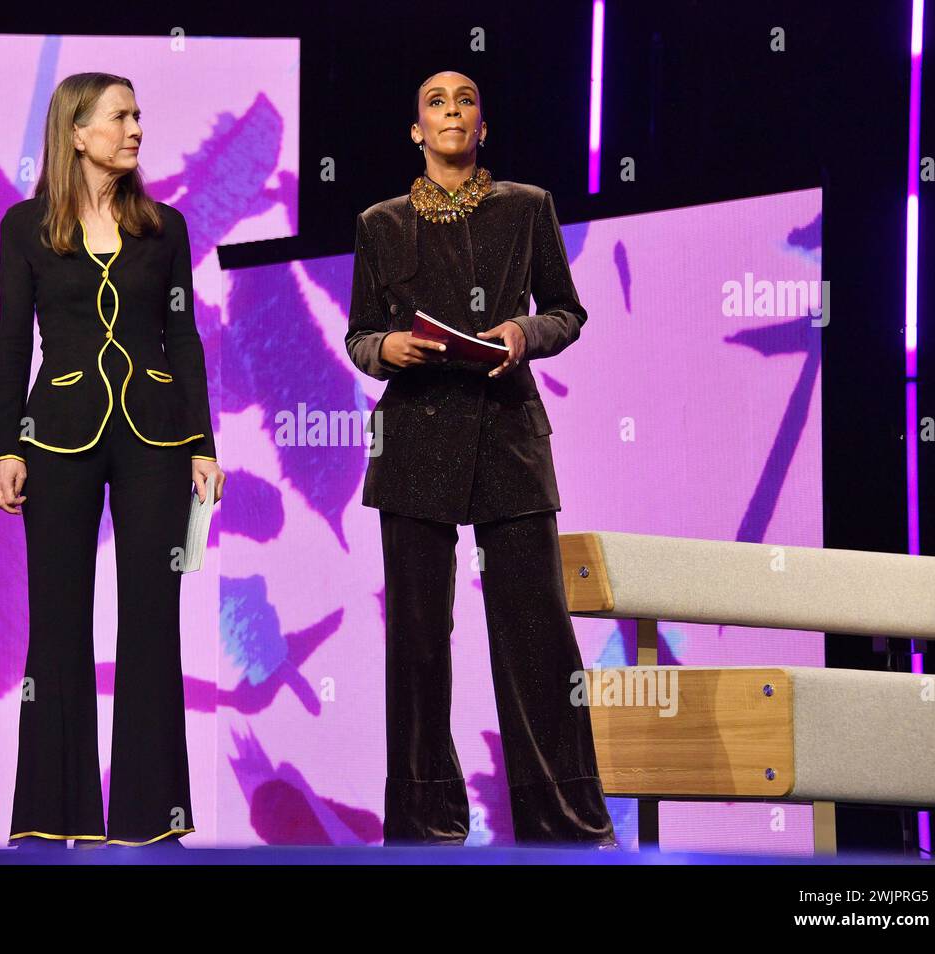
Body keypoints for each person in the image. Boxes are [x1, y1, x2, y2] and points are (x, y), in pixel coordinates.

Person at [344, 70, 616, 847]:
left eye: (465, 101)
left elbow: (566, 311)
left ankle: (563, 822)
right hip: (416, 442)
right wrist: (386, 347)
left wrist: (522, 335)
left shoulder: (527, 208)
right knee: (420, 643)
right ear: (416, 131)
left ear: (483, 129)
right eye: (435, 102)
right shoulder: (380, 222)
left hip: (507, 435)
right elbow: (361, 333)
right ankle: (425, 826)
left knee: (536, 633)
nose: (451, 111)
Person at [0, 72, 225, 850]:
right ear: (77, 131)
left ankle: (149, 821)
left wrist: (203, 443)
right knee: (56, 624)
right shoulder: (25, 226)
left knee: (153, 621)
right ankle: (52, 815)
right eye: (120, 116)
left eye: (138, 116)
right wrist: (4, 446)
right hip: (55, 436)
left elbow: (182, 338)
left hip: (156, 438)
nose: (136, 130)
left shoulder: (168, 227)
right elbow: (13, 343)